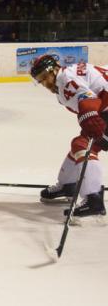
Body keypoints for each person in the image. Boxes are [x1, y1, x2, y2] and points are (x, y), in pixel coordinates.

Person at [31, 54, 107, 219]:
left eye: (45, 77)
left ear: (54, 70)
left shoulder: (66, 80)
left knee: (82, 145)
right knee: (80, 145)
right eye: (40, 80)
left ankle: (93, 199)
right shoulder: (65, 78)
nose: (45, 83)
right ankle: (68, 185)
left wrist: (91, 116)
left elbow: (88, 101)